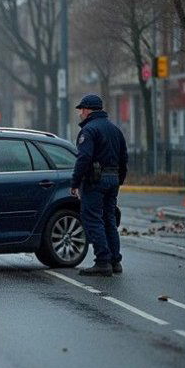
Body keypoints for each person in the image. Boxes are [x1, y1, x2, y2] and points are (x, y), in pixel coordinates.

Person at [70, 95, 128, 276]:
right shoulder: (115, 130)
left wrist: (75, 182)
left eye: (81, 110)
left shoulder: (89, 130)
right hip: (113, 178)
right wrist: (119, 180)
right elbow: (124, 158)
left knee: (93, 219)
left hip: (95, 180)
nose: (80, 113)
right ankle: (114, 261)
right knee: (109, 219)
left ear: (88, 110)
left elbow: (84, 158)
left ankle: (102, 261)